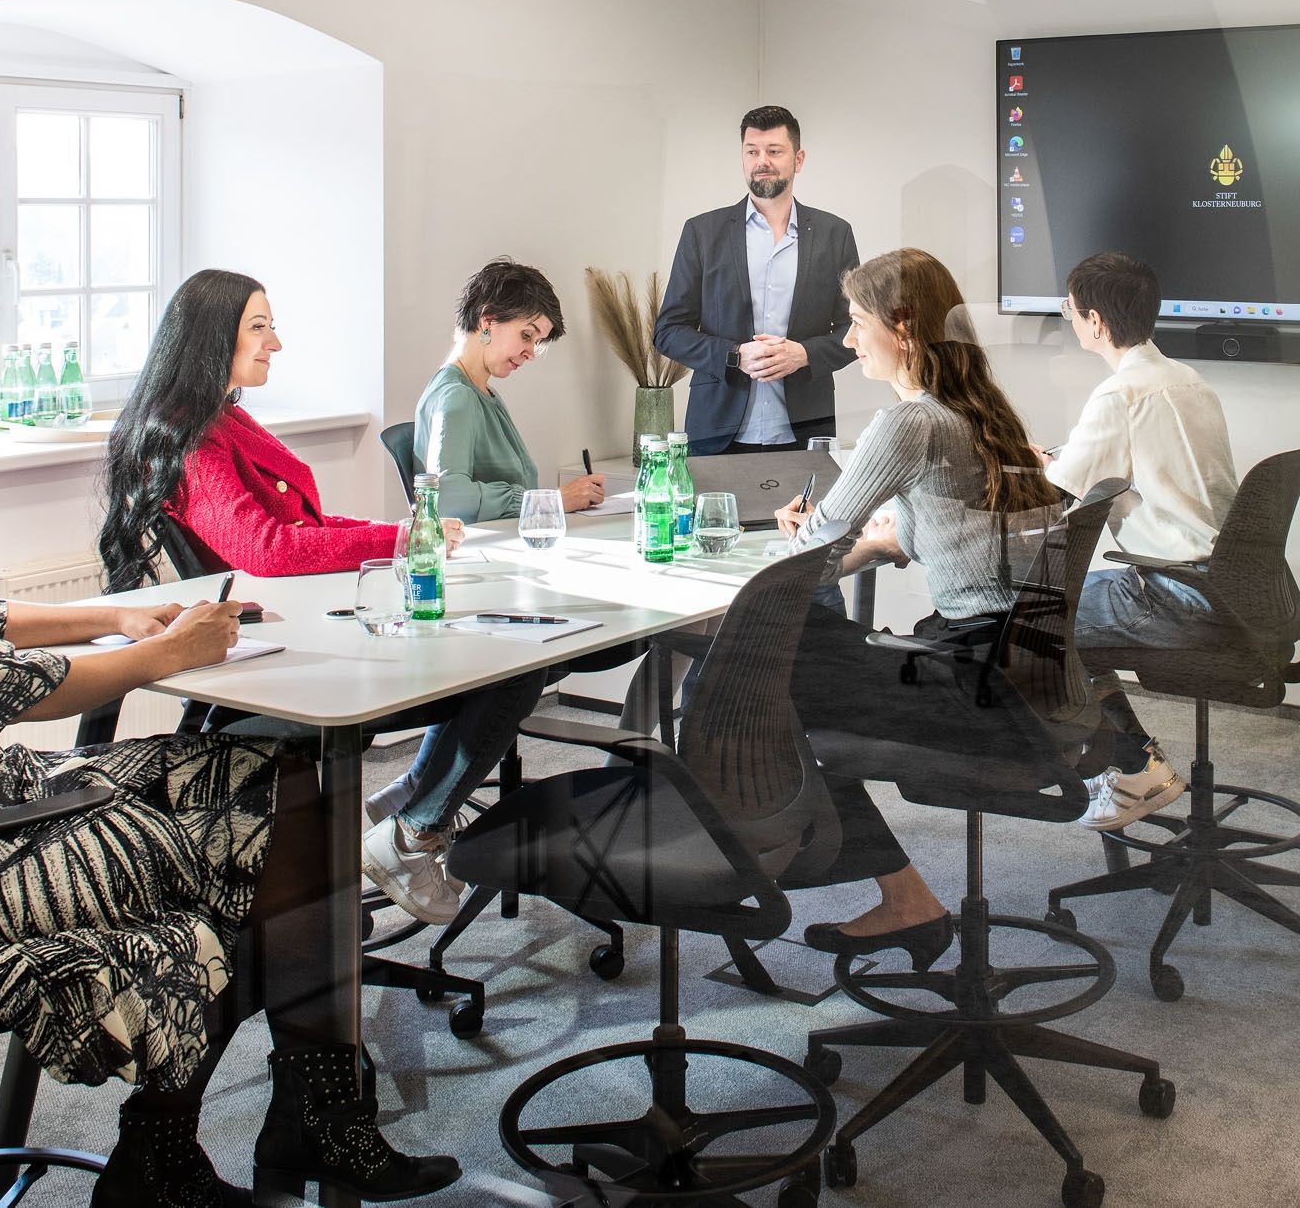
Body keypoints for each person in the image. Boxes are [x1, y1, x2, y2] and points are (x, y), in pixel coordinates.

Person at [0, 293, 458, 1208]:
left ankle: (228, 1139)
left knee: (277, 786)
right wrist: (164, 655)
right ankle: (252, 1132)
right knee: (272, 832)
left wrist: (108, 617)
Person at [98, 269, 530, 927]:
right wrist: (397, 538)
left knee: (511, 656)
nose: (275, 343)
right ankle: (412, 828)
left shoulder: (223, 418)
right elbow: (268, 548)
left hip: (295, 630)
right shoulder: (191, 434)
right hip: (277, 662)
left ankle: (408, 810)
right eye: (259, 328)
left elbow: (306, 526)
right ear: (213, 336)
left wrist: (401, 532)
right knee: (509, 666)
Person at [768, 247, 1072, 964]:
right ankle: (895, 893)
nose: (848, 339)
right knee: (809, 649)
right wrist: (874, 546)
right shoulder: (979, 410)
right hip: (1025, 676)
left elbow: (812, 553)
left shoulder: (908, 424)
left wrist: (805, 542)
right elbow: (943, 531)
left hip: (973, 686)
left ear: (901, 328)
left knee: (765, 676)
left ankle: (889, 894)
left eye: (856, 321)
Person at [1040, 251, 1243, 830]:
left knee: (1030, 624)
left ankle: (1133, 767)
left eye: (1071, 311)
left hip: (1173, 593)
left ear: (1095, 321)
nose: (1071, 320)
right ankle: (1131, 761)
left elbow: (1057, 494)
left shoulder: (1119, 394)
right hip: (1226, 584)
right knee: (1059, 614)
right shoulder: (1187, 380)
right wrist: (1059, 462)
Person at [655, 105, 859, 454]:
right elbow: (668, 332)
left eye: (774, 151)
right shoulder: (702, 232)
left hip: (805, 432)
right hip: (717, 434)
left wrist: (804, 354)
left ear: (798, 159)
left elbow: (857, 329)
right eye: (752, 152)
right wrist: (734, 355)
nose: (761, 161)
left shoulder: (835, 234)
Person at [415, 258, 608, 522]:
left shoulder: (484, 395)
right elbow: (448, 498)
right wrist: (551, 501)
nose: (531, 353)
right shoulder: (456, 396)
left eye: (537, 342)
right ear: (487, 321)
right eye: (527, 335)